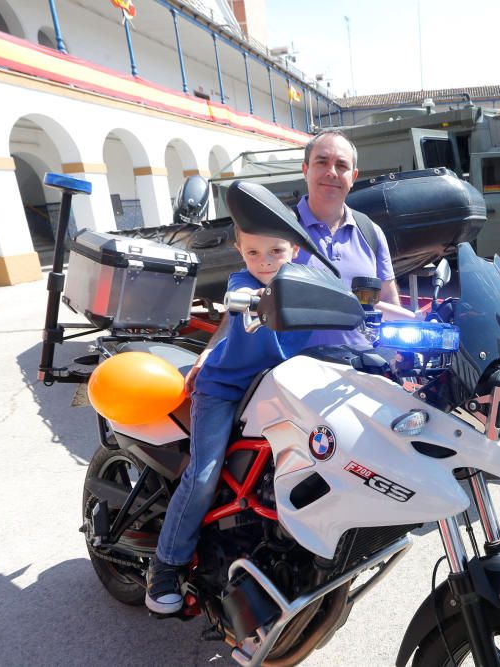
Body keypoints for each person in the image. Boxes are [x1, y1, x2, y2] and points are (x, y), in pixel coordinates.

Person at [146, 200, 309, 614]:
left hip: (274, 391)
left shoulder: (310, 283)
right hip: (224, 389)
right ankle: (165, 565)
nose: (264, 261)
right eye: (253, 253)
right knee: (203, 474)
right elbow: (248, 299)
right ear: (239, 252)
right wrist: (209, 351)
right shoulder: (242, 285)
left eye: (275, 251)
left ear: (295, 250)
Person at [294, 130, 413, 348]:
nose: (332, 172)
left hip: (361, 372)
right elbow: (248, 296)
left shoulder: (371, 232)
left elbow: (387, 299)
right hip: (294, 371)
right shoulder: (282, 229)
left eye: (341, 166)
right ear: (305, 170)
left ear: (353, 176)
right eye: (322, 162)